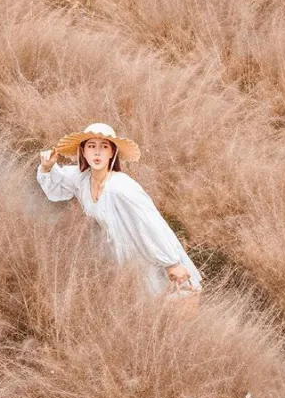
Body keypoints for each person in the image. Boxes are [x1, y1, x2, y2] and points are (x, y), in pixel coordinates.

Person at [37, 123, 201, 296]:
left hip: (142, 252)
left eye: (104, 147)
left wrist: (171, 263)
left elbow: (151, 224)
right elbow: (57, 185)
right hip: (115, 253)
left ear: (112, 152)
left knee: (155, 298)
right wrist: (47, 167)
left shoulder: (122, 188)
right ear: (83, 152)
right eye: (91, 146)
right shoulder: (82, 178)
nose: (97, 152)